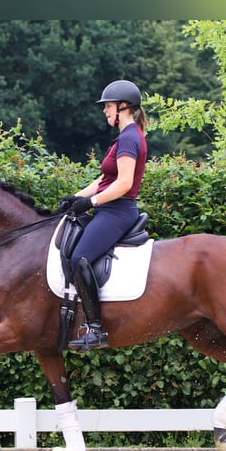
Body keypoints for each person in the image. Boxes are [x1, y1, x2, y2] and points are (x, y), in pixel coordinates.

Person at [57, 79, 148, 351]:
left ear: (124, 107)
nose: (105, 111)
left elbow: (123, 183)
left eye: (108, 106)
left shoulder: (131, 137)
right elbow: (104, 179)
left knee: (80, 257)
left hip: (118, 212)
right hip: (108, 207)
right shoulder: (123, 137)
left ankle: (96, 329)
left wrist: (91, 202)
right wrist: (77, 197)